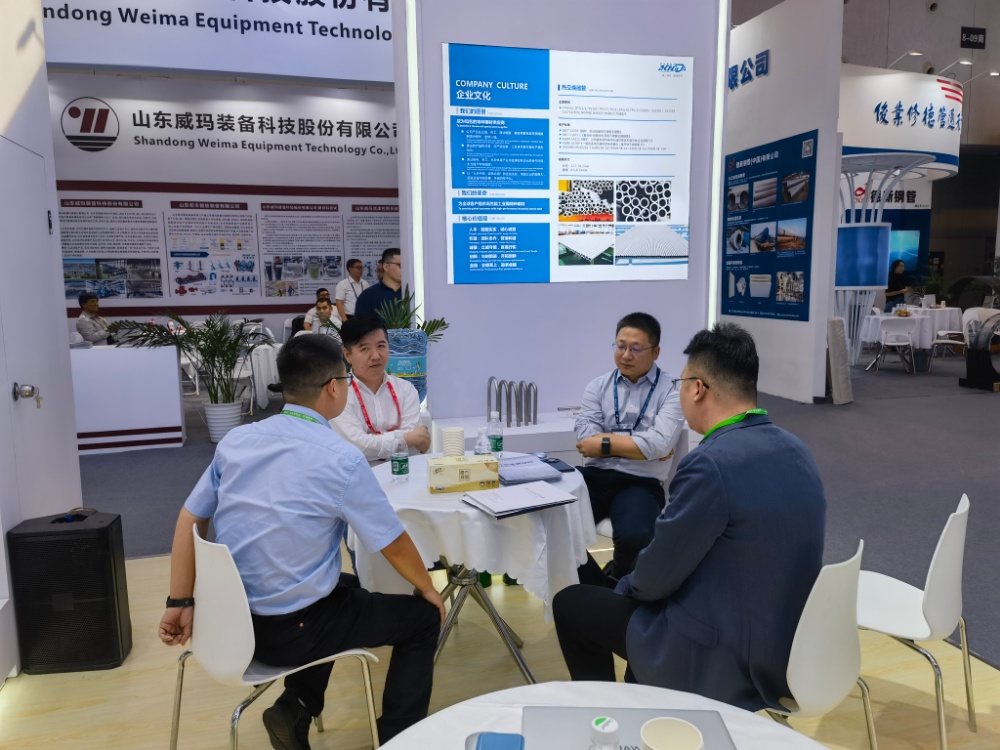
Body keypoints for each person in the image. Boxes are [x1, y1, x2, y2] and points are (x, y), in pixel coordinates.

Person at [157, 334, 444, 749]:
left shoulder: (237, 441)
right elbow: (391, 541)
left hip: (226, 620)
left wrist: (180, 601)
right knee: (422, 619)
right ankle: (400, 739)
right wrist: (428, 589)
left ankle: (297, 706)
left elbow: (189, 519)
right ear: (333, 388)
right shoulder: (341, 458)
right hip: (292, 632)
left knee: (345, 588)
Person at [553, 322, 825, 713]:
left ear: (697, 389)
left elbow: (654, 579)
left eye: (681, 384)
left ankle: (608, 718)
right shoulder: (797, 449)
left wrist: (621, 589)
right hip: (788, 647)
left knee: (571, 603)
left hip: (718, 653)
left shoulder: (710, 464)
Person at [574, 312, 684, 582]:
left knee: (636, 536)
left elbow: (659, 444)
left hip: (641, 482)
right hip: (596, 476)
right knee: (552, 519)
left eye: (635, 348)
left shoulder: (671, 391)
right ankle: (598, 587)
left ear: (655, 352)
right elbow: (586, 441)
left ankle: (621, 587)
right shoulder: (597, 387)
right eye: (620, 346)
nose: (625, 355)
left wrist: (605, 443)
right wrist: (642, 447)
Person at [332, 315, 429, 463]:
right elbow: (357, 447)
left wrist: (373, 443)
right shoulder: (339, 394)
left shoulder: (406, 389)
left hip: (403, 473)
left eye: (381, 346)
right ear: (348, 355)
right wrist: (405, 439)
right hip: (360, 475)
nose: (376, 356)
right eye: (365, 349)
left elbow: (414, 446)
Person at [354, 248, 402, 319]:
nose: (405, 269)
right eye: (400, 265)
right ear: (386, 267)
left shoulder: (411, 294)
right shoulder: (368, 296)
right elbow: (361, 324)